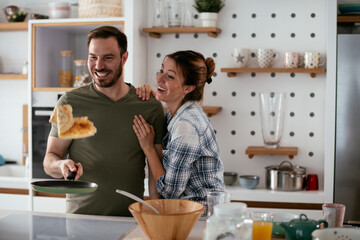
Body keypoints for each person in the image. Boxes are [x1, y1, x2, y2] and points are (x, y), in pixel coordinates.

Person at [43, 26, 165, 216]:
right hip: (81, 220)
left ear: (124, 58)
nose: (98, 66)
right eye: (93, 57)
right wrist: (60, 166)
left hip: (131, 219)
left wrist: (159, 218)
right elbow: (51, 157)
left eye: (108, 58)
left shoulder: (148, 106)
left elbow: (155, 172)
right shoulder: (70, 103)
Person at [133, 50, 225, 215]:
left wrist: (148, 148)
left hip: (201, 219)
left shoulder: (186, 126)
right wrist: (146, 94)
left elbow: (170, 191)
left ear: (188, 87)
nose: (159, 78)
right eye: (161, 70)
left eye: (170, 76)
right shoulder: (177, 113)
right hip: (190, 214)